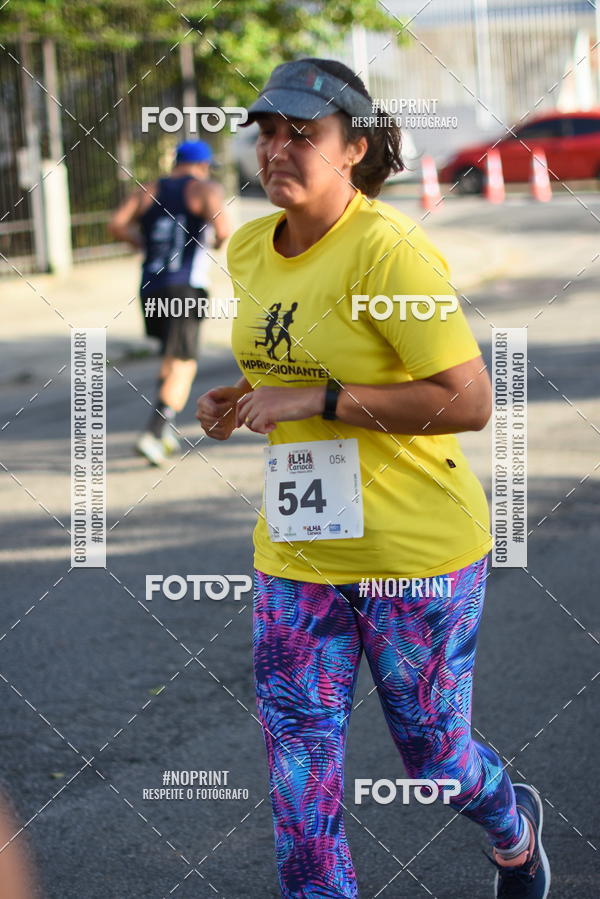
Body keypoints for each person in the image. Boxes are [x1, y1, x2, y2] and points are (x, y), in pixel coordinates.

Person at [196, 58, 550, 899]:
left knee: (434, 753)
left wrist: (316, 396)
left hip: (416, 550)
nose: (277, 149)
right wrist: (242, 400)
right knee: (298, 778)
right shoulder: (249, 247)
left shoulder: (390, 253)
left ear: (353, 148)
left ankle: (512, 829)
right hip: (299, 552)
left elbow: (467, 401)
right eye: (267, 133)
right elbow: (288, 364)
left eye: (302, 135)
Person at [109, 139, 231, 465]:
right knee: (183, 361)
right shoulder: (204, 189)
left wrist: (140, 241)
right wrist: (214, 242)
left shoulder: (147, 189)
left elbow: (116, 224)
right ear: (203, 165)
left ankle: (165, 431)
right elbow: (224, 230)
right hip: (185, 287)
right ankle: (153, 432)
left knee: (169, 357)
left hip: (150, 286)